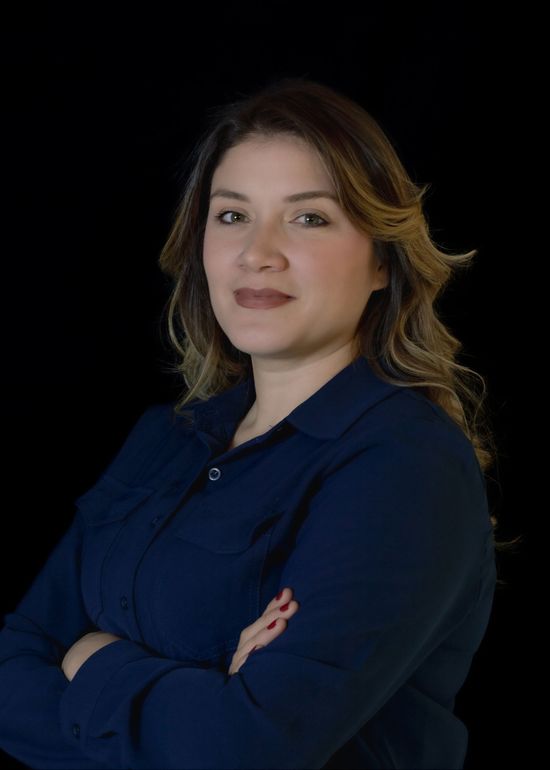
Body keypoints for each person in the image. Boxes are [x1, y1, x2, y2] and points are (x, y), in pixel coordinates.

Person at [0, 76, 503, 769]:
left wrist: (91, 655)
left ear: (383, 259)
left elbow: (247, 750)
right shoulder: (165, 437)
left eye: (309, 218)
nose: (257, 252)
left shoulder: (407, 466)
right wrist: (201, 693)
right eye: (232, 215)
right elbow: (8, 669)